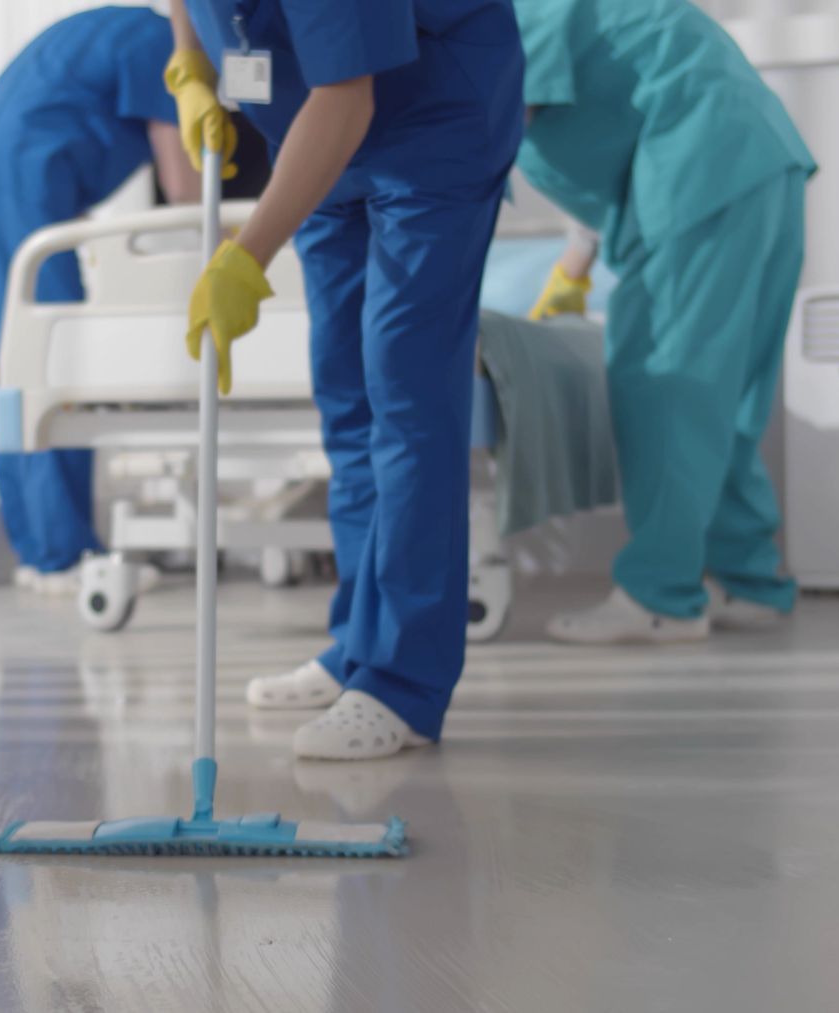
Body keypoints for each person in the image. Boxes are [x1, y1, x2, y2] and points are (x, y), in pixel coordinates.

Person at [171, 0, 525, 760]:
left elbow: (346, 97)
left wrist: (246, 257)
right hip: (314, 130)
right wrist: (189, 60)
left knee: (406, 394)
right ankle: (358, 645)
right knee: (345, 395)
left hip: (432, 123)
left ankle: (401, 682)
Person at [511, 0, 816, 644]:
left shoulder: (493, 14)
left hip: (696, 164)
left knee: (665, 387)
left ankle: (663, 596)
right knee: (724, 398)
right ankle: (747, 581)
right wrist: (573, 268)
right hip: (759, 159)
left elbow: (493, 124)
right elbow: (603, 103)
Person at [0, 6, 201, 593]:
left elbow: (57, 119)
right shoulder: (166, 46)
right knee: (54, 367)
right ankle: (65, 555)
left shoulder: (123, 31)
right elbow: (185, 189)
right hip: (18, 186)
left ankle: (40, 551)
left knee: (10, 374)